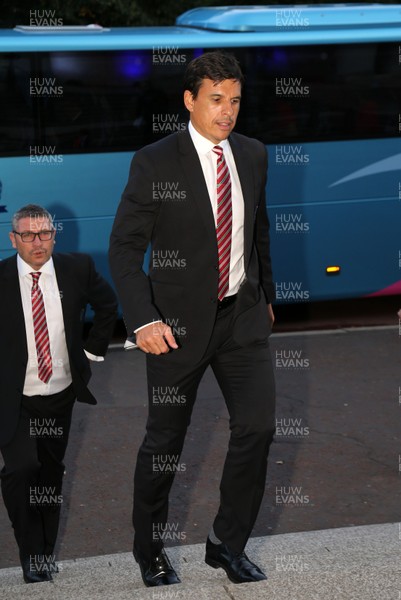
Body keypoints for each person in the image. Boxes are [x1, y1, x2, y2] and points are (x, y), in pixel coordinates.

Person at [109, 51, 276, 587]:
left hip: (241, 321)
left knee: (258, 428)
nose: (227, 113)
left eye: (235, 101)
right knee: (165, 443)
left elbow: (257, 229)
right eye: (216, 100)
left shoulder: (252, 154)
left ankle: (227, 543)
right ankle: (147, 547)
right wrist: (143, 321)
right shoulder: (156, 161)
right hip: (175, 330)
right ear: (190, 100)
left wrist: (266, 295)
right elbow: (124, 250)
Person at [0, 204, 118, 583]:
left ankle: (45, 551)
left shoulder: (76, 268)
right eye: (29, 235)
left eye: (45, 234)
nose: (38, 243)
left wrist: (91, 351)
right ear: (13, 239)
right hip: (13, 398)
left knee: (49, 476)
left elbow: (107, 305)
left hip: (59, 394)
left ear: (54, 234)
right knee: (21, 469)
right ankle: (31, 553)